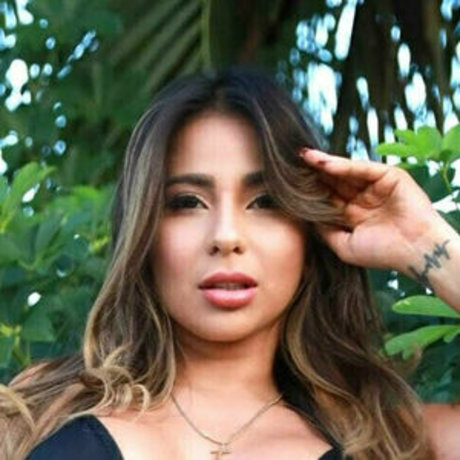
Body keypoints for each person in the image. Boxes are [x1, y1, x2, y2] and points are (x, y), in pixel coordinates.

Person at [1, 66, 459, 460]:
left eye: (265, 202)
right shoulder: (36, 412)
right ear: (144, 233)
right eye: (187, 202)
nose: (225, 236)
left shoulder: (396, 441)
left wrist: (424, 242)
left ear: (308, 232)